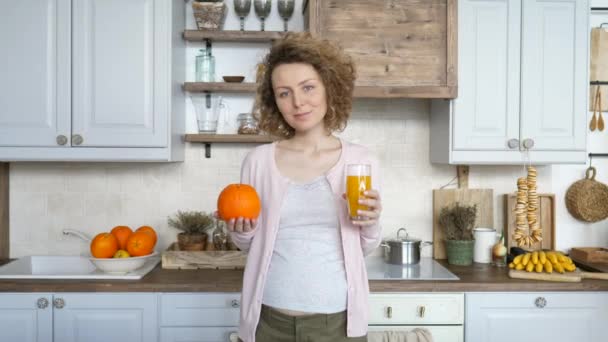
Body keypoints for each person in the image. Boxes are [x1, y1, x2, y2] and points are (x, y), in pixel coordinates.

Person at [225, 32, 383, 342]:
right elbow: (248, 245)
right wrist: (242, 231)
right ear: (275, 102)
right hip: (267, 320)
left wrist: (372, 222)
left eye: (308, 87)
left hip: (337, 323)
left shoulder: (359, 161)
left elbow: (364, 246)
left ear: (329, 88)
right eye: (284, 93)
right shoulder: (258, 161)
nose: (298, 102)